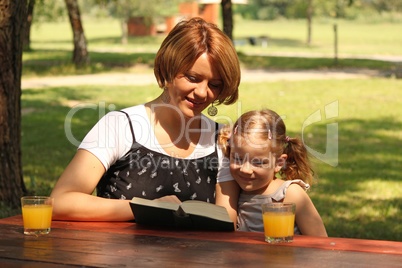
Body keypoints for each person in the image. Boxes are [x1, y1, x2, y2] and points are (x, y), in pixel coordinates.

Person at [50, 17, 240, 223]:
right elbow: (59, 201)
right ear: (167, 69)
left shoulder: (221, 139)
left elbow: (228, 219)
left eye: (215, 84)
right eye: (192, 78)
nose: (203, 93)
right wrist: (147, 209)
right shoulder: (120, 126)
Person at [218, 109, 327, 236]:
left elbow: (321, 242)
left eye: (258, 162)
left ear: (278, 164)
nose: (245, 170)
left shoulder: (289, 194)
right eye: (237, 158)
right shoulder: (233, 190)